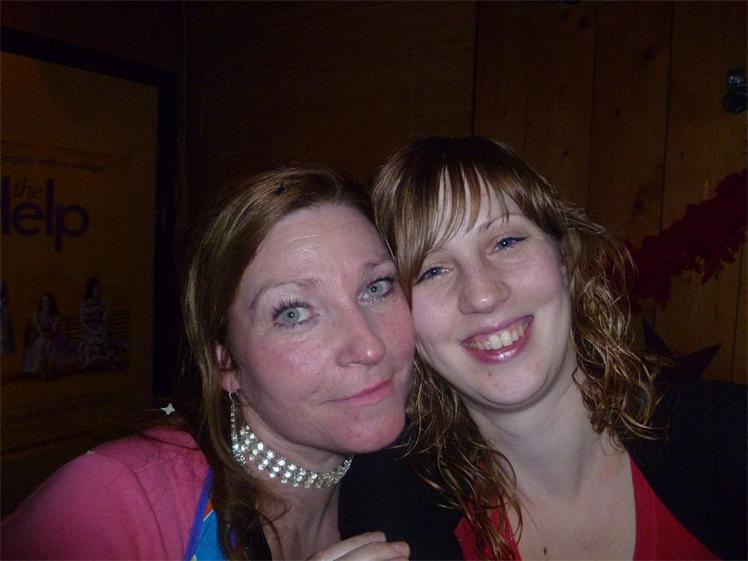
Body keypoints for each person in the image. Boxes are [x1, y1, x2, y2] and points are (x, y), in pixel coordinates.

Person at [339, 136, 746, 560]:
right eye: (432, 270)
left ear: (563, 257)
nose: (482, 295)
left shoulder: (722, 437)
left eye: (506, 242)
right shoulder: (395, 506)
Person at [2, 166, 416, 561]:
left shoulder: (413, 485)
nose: (369, 347)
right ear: (225, 363)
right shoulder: (110, 499)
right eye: (293, 313)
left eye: (376, 287)